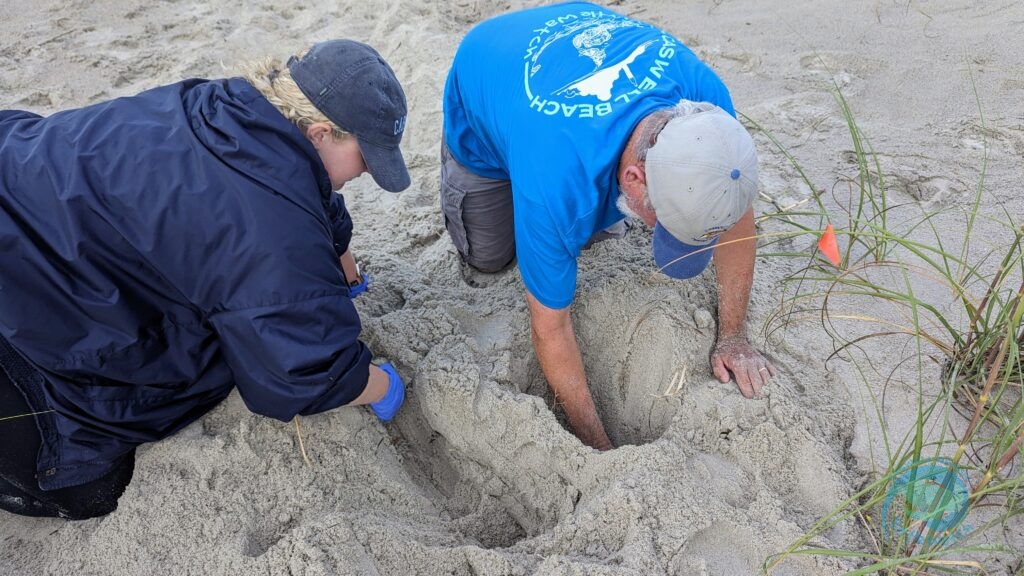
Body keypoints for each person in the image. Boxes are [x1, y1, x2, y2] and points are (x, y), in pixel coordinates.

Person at [0, 40, 410, 520]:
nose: (367, 172)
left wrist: (347, 269)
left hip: (21, 169)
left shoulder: (231, 108)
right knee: (83, 486)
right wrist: (382, 386)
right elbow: (301, 373)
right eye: (367, 157)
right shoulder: (269, 224)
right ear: (319, 133)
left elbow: (311, 199)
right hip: (17, 296)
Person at [441, 3, 776, 450]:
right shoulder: (554, 179)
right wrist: (600, 449)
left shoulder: (711, 118)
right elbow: (550, 329)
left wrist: (733, 336)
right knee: (491, 258)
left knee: (593, 226)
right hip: (485, 83)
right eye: (667, 221)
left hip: (567, 61)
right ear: (636, 179)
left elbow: (734, 212)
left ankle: (608, 209)